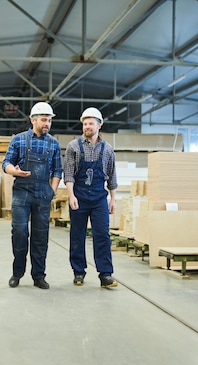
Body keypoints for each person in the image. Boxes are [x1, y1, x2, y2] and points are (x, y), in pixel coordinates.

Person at [2, 102, 63, 289]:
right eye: (44, 120)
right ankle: (17, 273)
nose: (47, 124)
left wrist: (52, 190)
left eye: (49, 120)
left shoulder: (54, 143)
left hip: (43, 193)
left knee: (40, 236)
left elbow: (58, 171)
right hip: (22, 192)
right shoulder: (19, 140)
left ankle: (38, 276)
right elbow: (6, 163)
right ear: (33, 120)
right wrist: (15, 172)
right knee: (20, 232)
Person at [63, 107, 118, 288]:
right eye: (85, 123)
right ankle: (78, 272)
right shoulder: (73, 147)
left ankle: (105, 274)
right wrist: (71, 196)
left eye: (91, 123)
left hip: (99, 199)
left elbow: (112, 176)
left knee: (102, 234)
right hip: (78, 197)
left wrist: (113, 199)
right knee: (77, 235)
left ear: (99, 125)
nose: (87, 126)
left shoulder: (108, 149)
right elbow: (69, 174)